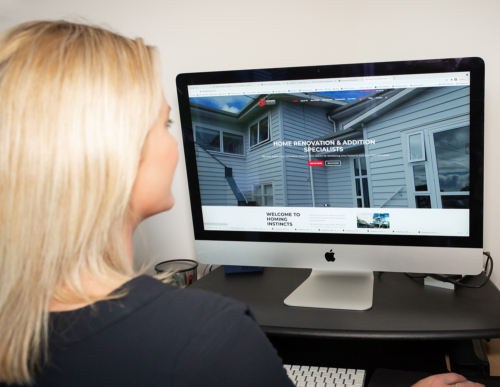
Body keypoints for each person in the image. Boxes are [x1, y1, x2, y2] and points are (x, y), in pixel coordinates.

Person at [0, 21, 484, 387]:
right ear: (109, 151)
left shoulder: (16, 330)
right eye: (165, 126)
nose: (177, 146)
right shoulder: (211, 338)